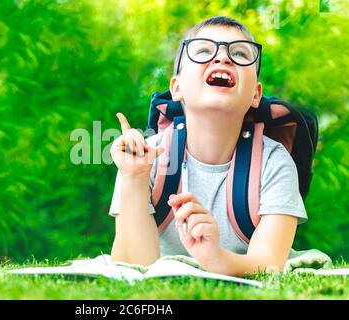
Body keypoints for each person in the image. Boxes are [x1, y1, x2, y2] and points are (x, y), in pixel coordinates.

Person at [108, 16, 307, 277]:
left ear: (255, 95)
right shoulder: (143, 159)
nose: (222, 58)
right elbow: (133, 267)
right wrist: (134, 177)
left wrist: (214, 257)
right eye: (203, 51)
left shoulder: (274, 162)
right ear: (177, 88)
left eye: (239, 53)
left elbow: (269, 263)